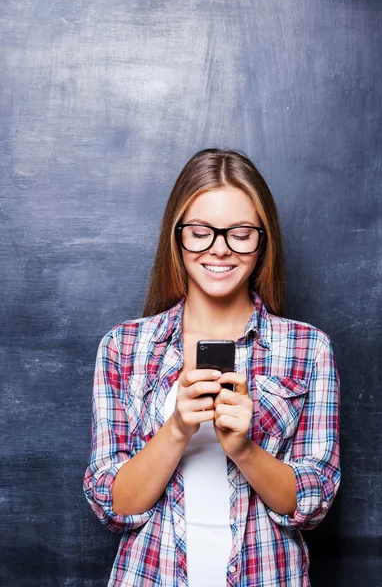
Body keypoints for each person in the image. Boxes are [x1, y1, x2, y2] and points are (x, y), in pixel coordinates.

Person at [83, 148, 340, 587]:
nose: (220, 249)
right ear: (177, 237)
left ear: (263, 240)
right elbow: (113, 505)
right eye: (201, 232)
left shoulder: (307, 347)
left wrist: (244, 448)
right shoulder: (124, 348)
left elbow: (312, 504)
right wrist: (178, 428)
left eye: (240, 233)